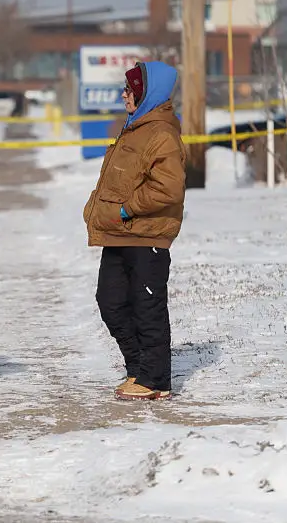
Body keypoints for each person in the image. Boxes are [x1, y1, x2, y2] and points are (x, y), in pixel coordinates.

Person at [83, 61, 185, 401]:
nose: (124, 94)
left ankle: (156, 380)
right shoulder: (133, 128)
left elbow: (167, 190)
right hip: (119, 233)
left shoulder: (162, 134)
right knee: (110, 301)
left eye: (130, 89)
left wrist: (127, 209)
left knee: (147, 308)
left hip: (146, 236)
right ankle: (139, 367)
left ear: (146, 93)